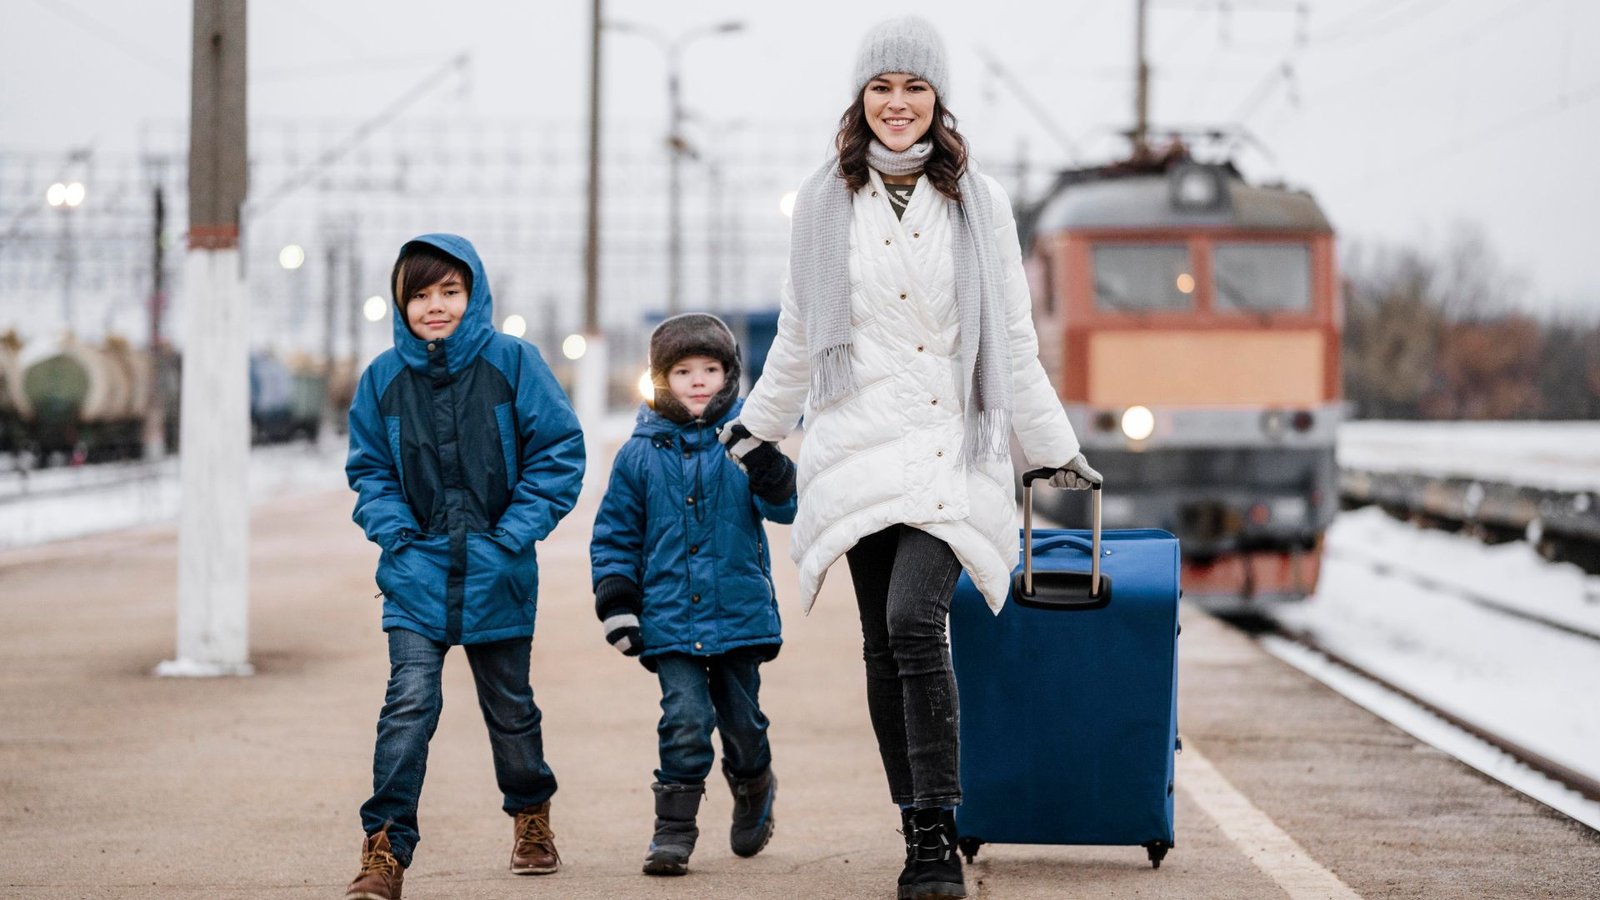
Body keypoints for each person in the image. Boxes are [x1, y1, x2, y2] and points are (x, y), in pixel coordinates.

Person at [718, 17, 1101, 900]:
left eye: (916, 88)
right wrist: (758, 427)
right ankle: (916, 823)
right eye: (883, 87)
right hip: (854, 447)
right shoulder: (824, 204)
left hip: (945, 446)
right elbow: (803, 336)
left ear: (938, 99)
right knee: (880, 647)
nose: (899, 104)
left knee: (911, 621)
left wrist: (1054, 456)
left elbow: (1011, 339)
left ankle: (935, 835)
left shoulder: (980, 202)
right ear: (861, 97)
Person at [342, 234, 585, 900]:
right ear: (400, 303)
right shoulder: (382, 380)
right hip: (416, 575)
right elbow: (369, 469)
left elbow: (559, 452)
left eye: (449, 291)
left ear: (473, 294)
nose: (435, 306)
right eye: (420, 294)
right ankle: (385, 849)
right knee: (409, 705)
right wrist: (395, 532)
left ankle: (531, 814)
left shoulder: (513, 363)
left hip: (497, 571)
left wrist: (512, 534)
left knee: (510, 711)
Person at [590, 313, 797, 877]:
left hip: (738, 613)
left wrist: (769, 468)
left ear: (729, 375)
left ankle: (754, 783)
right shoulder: (637, 455)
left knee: (742, 721)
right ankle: (673, 831)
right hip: (669, 617)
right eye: (684, 371)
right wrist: (617, 602)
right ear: (662, 380)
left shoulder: (748, 441)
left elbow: (786, 509)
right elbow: (615, 535)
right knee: (683, 717)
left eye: (710, 368)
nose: (699, 380)